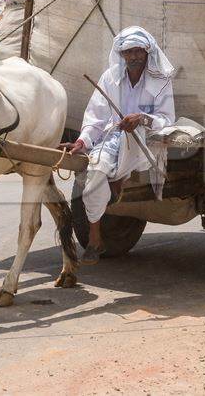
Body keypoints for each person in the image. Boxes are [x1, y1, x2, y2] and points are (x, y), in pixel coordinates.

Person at [62, 27, 175, 264]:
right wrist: (83, 141)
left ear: (146, 52)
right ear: (122, 54)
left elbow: (167, 119)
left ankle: (117, 181)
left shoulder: (160, 79)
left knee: (123, 149)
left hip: (146, 139)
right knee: (94, 173)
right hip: (112, 138)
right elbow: (96, 117)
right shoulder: (110, 77)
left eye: (138, 51)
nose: (133, 56)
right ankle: (95, 239)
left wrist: (142, 119)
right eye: (128, 52)